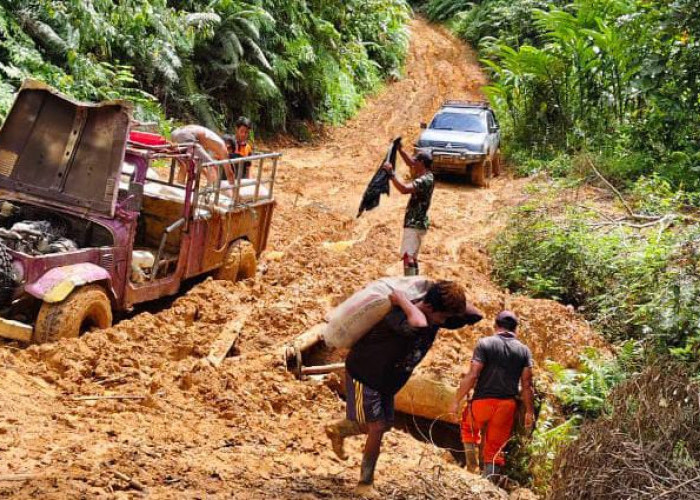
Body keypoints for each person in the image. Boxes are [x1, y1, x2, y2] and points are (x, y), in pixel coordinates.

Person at [325, 281, 483, 496]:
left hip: (386, 382)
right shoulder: (398, 317)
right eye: (443, 317)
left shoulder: (434, 316)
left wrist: (442, 290)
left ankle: (339, 430)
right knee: (377, 426)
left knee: (382, 424)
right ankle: (365, 483)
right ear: (429, 308)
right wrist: (402, 299)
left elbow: (475, 315)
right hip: (365, 374)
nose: (445, 322)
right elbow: (418, 322)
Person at [450, 311, 535, 483]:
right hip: (506, 406)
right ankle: (488, 484)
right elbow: (527, 385)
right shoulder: (524, 351)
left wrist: (456, 400)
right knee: (496, 447)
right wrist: (529, 412)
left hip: (482, 401)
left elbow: (473, 375)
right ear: (516, 329)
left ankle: (471, 467)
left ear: (495, 326)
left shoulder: (484, 344)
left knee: (469, 429)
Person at [381, 146, 434, 276]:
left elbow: (404, 189)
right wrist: (400, 150)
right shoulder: (427, 175)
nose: (413, 163)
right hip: (418, 223)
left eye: (416, 161)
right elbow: (410, 162)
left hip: (414, 224)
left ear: (421, 163)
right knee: (412, 258)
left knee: (408, 257)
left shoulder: (424, 180)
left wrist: (391, 174)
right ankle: (413, 281)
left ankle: (410, 285)